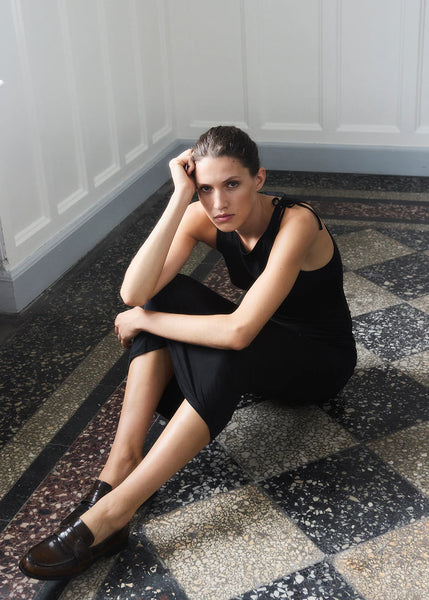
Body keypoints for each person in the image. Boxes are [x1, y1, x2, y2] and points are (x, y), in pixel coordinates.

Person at [19, 126, 356, 580]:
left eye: (232, 184)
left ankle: (116, 510)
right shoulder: (202, 214)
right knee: (163, 294)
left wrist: (144, 321)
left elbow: (238, 331)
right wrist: (179, 197)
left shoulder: (297, 222)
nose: (219, 204)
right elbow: (134, 292)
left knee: (221, 341)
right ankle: (121, 463)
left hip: (318, 362)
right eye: (206, 189)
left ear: (259, 178)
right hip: (265, 342)